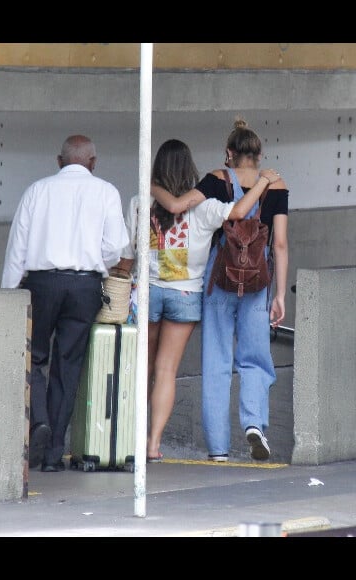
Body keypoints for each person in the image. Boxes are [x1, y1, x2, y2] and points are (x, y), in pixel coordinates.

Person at [116, 138, 281, 462]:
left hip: (147, 291)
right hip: (186, 293)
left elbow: (127, 255)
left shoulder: (140, 201)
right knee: (166, 370)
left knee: (143, 369)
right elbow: (238, 211)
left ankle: (132, 440)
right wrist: (263, 181)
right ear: (189, 169)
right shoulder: (204, 207)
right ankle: (153, 445)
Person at [1, 134, 129, 472]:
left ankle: (38, 420)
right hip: (85, 286)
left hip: (41, 283)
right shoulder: (106, 192)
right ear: (92, 163)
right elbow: (115, 249)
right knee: (68, 365)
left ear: (59, 161)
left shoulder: (37, 190)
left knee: (34, 356)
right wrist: (95, 264)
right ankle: (54, 453)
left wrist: (8, 291)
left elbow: (18, 248)